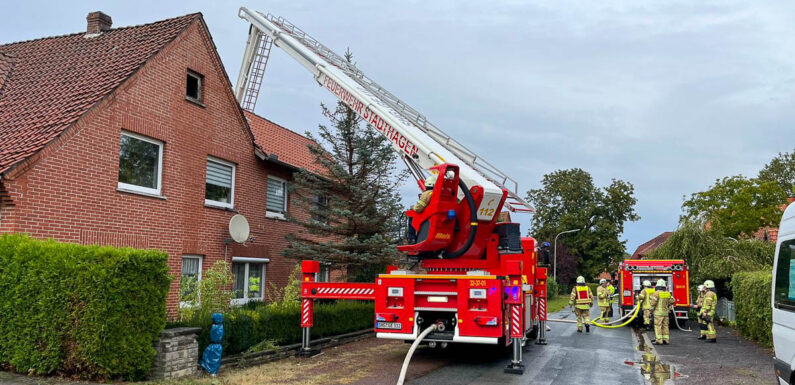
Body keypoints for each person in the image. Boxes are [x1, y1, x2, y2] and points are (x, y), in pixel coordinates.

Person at [649, 279, 675, 345]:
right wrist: (667, 305)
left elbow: (653, 303)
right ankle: (666, 340)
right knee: (665, 326)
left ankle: (659, 340)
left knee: (658, 326)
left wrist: (650, 311)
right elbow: (672, 301)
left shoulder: (656, 293)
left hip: (658, 313)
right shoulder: (667, 293)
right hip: (665, 313)